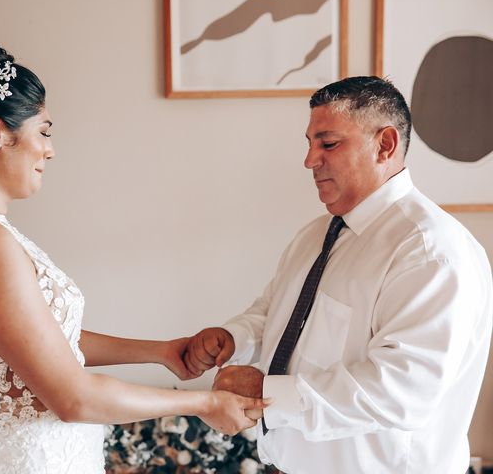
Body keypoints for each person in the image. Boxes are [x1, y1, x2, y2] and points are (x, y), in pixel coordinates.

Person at [0, 31, 266, 474]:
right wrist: (204, 403)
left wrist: (160, 350)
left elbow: (42, 340)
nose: (49, 150)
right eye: (43, 131)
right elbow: (73, 398)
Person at [182, 76, 493, 473]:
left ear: (385, 145)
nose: (309, 160)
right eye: (309, 144)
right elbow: (274, 311)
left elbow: (400, 392)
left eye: (328, 144)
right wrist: (232, 337)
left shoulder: (431, 253)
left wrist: (266, 392)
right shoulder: (315, 235)